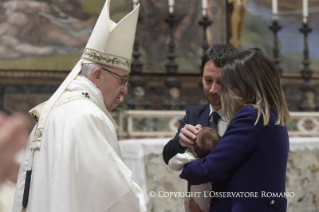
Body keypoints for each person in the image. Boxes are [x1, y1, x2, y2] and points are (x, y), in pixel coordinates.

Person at [12, 1, 146, 212]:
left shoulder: (56, 108)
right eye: (122, 80)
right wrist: (141, 200)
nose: (125, 90)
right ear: (98, 75)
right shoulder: (88, 115)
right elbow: (116, 196)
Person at [180, 49, 291, 211]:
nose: (227, 92)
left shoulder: (251, 116)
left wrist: (185, 164)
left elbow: (209, 168)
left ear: (244, 85)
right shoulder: (272, 115)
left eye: (229, 85)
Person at [163, 44, 240, 164]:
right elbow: (167, 156)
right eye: (208, 80)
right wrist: (181, 142)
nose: (213, 89)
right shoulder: (193, 114)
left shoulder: (243, 115)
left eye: (221, 82)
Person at [168, 127, 220, 212]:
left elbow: (172, 164)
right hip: (215, 200)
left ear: (194, 148)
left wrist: (188, 152)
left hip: (197, 203)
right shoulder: (217, 161)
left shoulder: (190, 157)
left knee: (188, 203)